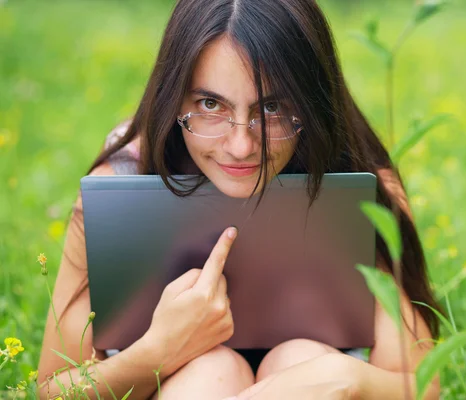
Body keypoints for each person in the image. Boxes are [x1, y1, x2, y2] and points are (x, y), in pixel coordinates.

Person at [37, 0, 443, 398]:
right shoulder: (120, 184)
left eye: (272, 107)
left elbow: (420, 385)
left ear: (312, 101)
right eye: (210, 104)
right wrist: (158, 352)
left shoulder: (358, 183)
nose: (241, 145)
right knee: (211, 372)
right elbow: (53, 390)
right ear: (173, 98)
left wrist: (346, 378)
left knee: (299, 359)